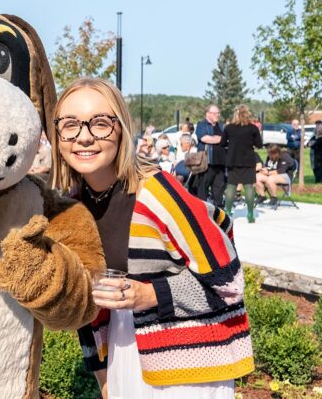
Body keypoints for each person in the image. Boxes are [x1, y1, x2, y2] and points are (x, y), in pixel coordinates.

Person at [51, 78, 253, 399]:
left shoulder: (157, 192)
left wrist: (150, 295)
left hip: (187, 362)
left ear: (122, 129)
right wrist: (104, 376)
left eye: (100, 123)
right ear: (56, 133)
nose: (84, 136)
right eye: (70, 124)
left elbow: (228, 282)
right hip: (124, 352)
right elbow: (89, 306)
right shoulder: (72, 206)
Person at [220, 104, 263, 222]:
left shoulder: (229, 128)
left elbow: (222, 143)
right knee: (249, 186)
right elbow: (259, 144)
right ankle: (250, 213)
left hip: (233, 160)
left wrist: (232, 144)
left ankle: (228, 212)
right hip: (248, 161)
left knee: (231, 186)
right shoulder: (253, 128)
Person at [195, 104, 227, 207]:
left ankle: (219, 210)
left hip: (221, 162)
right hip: (207, 162)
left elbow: (227, 139)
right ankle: (202, 210)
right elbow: (204, 138)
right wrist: (220, 139)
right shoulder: (202, 125)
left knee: (219, 188)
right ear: (207, 114)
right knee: (203, 187)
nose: (217, 115)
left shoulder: (221, 126)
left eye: (218, 113)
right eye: (215, 113)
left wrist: (217, 139)